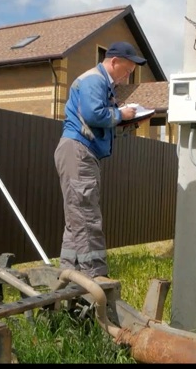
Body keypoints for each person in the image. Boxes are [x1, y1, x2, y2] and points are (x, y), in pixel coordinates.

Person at [54, 41, 147, 279]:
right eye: (126, 70)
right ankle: (95, 275)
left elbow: (99, 122)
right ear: (114, 62)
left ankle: (70, 270)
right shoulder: (94, 80)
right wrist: (120, 114)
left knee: (77, 214)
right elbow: (94, 114)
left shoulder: (102, 84)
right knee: (85, 213)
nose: (127, 77)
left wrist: (125, 122)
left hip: (81, 150)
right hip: (79, 151)